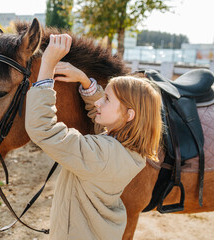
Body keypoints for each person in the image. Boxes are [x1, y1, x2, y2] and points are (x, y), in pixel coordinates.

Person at [25, 34, 163, 239]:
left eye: (106, 99)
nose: (99, 103)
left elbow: (42, 129)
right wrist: (84, 80)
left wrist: (47, 64)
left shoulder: (101, 155)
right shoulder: (126, 151)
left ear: (129, 115)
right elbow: (103, 124)